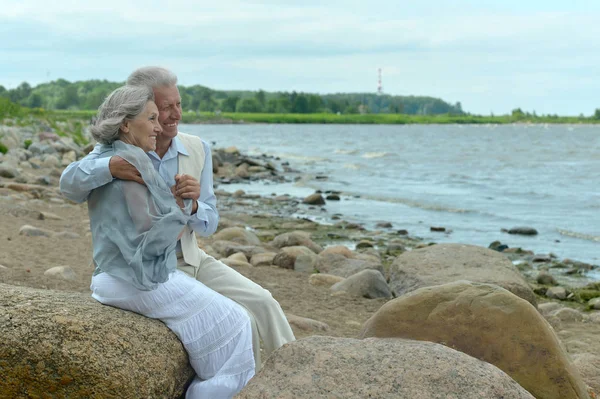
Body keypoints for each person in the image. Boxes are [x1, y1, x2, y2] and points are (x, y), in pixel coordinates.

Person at [60, 66, 295, 370]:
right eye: (164, 108)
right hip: (149, 268)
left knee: (264, 302)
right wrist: (109, 168)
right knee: (243, 321)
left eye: (178, 104)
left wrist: (195, 205)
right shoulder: (113, 150)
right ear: (142, 110)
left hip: (194, 258)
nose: (174, 115)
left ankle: (295, 378)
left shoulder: (197, 148)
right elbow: (69, 183)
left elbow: (210, 222)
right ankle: (250, 389)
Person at [86, 85, 254, 398]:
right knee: (236, 322)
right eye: (151, 118)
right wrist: (180, 211)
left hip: (114, 275)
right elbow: (147, 238)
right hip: (133, 279)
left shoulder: (112, 159)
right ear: (126, 124)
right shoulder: (129, 164)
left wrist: (179, 208)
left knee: (236, 317)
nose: (158, 126)